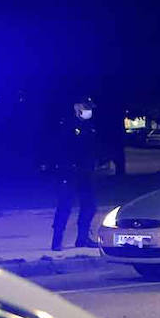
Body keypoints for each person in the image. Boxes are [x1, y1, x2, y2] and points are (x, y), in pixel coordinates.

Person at [52, 97, 100, 251]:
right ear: (77, 107)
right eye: (86, 107)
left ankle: (83, 238)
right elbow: (61, 149)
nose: (89, 111)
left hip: (86, 172)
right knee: (65, 205)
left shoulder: (89, 126)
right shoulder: (67, 125)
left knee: (90, 206)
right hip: (69, 172)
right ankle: (57, 240)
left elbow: (91, 148)